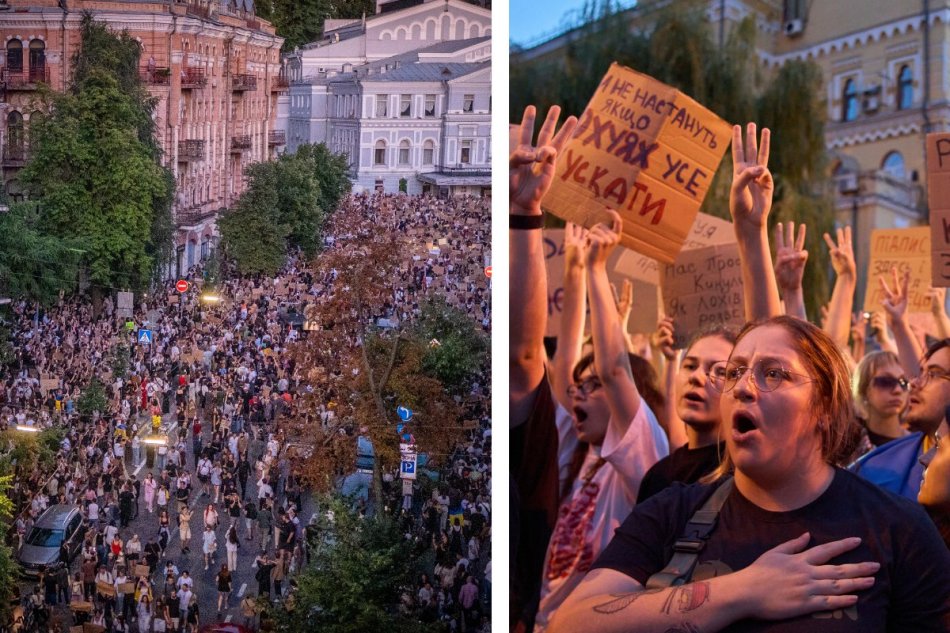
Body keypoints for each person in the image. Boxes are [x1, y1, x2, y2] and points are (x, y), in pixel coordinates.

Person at [549, 315, 950, 632]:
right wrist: (742, 591)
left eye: (773, 373)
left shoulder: (898, 530)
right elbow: (570, 623)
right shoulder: (672, 512)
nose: (742, 387)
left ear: (825, 408)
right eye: (734, 372)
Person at [636, 325, 735, 503]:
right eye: (690, 366)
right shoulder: (658, 475)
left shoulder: (746, 473)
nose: (696, 376)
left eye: (720, 371)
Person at [853, 338, 950, 498]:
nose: (914, 384)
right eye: (885, 382)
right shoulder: (869, 469)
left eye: (932, 374)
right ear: (863, 390)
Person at [851, 351, 910, 454]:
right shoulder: (848, 444)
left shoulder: (918, 444)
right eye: (886, 381)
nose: (898, 390)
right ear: (864, 389)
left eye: (903, 382)